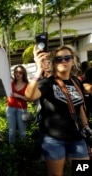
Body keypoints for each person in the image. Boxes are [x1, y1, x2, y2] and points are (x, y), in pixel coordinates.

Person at [25, 45, 91, 175]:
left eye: (67, 58)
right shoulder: (48, 83)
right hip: (53, 139)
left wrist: (88, 133)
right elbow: (29, 96)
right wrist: (38, 71)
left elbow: (81, 109)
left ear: (73, 61)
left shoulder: (77, 82)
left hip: (77, 138)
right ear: (54, 63)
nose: (63, 61)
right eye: (59, 59)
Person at [6, 65, 29, 143]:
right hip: (10, 109)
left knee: (22, 132)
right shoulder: (11, 82)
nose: (18, 74)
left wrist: (18, 95)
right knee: (11, 132)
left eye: (20, 72)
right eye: (16, 72)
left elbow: (28, 98)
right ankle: (12, 152)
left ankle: (22, 151)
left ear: (23, 74)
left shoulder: (27, 84)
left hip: (22, 110)